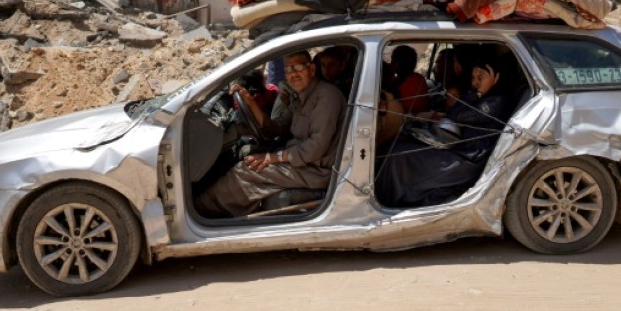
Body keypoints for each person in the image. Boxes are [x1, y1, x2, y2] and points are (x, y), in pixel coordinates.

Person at [195, 50, 346, 217]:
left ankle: (201, 212)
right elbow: (276, 127)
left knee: (246, 170)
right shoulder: (301, 97)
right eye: (288, 70)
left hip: (314, 170)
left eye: (298, 68)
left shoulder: (326, 96)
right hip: (301, 163)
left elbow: (315, 147)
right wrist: (250, 102)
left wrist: (273, 157)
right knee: (245, 153)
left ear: (311, 69)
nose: (293, 74)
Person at [375, 59, 515, 208]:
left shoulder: (498, 101)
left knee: (399, 154)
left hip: (469, 159)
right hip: (458, 148)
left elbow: (456, 116)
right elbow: (453, 112)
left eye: (481, 78)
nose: (475, 83)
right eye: (473, 78)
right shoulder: (480, 97)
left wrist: (478, 93)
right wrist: (477, 93)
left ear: (497, 78)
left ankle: (387, 200)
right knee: (399, 147)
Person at [389, 45, 430, 114]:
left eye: (392, 60)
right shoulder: (419, 78)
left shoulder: (396, 85)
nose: (390, 63)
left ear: (397, 63)